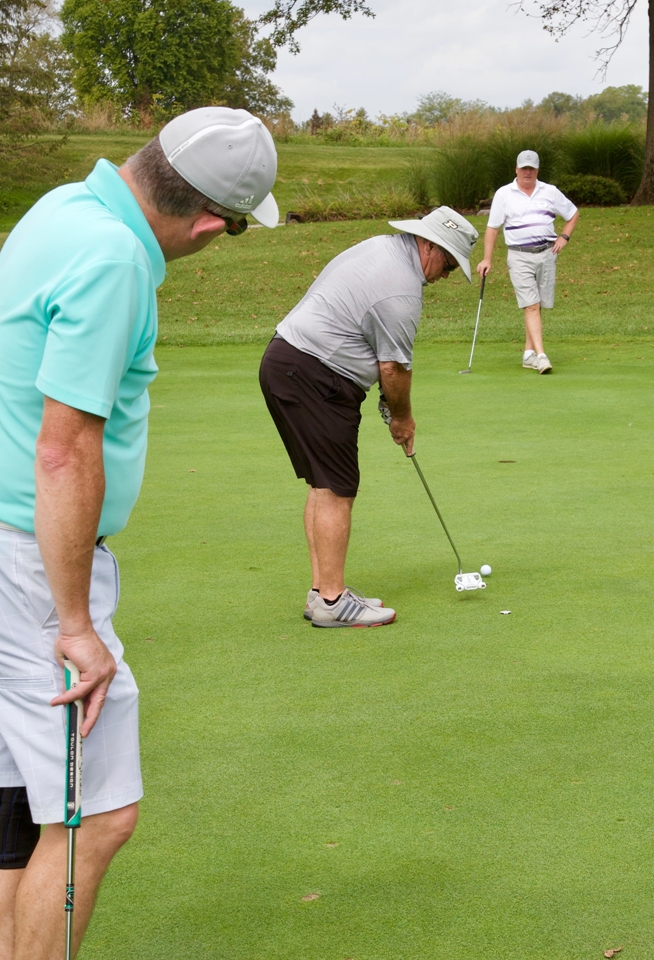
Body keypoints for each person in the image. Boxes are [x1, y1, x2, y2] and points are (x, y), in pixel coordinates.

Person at [0, 106, 278, 959]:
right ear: (209, 223)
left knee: (16, 809)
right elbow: (64, 449)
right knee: (97, 815)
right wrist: (76, 625)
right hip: (30, 562)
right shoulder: (116, 258)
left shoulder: (62, 207)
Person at [259, 206, 478, 629]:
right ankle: (333, 600)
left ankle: (322, 592)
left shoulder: (381, 247)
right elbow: (393, 369)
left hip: (286, 362)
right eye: (449, 265)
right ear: (429, 245)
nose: (446, 276)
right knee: (337, 488)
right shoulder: (401, 292)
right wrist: (402, 419)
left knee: (323, 484)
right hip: (315, 374)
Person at [477, 150, 578, 374]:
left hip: (546, 253)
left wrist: (564, 237)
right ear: (516, 169)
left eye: (531, 168)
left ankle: (528, 354)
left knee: (537, 305)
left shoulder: (550, 191)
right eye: (524, 168)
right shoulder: (504, 194)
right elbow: (492, 228)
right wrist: (487, 259)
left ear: (537, 170)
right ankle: (541, 356)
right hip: (519, 255)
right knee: (531, 305)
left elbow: (572, 214)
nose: (527, 172)